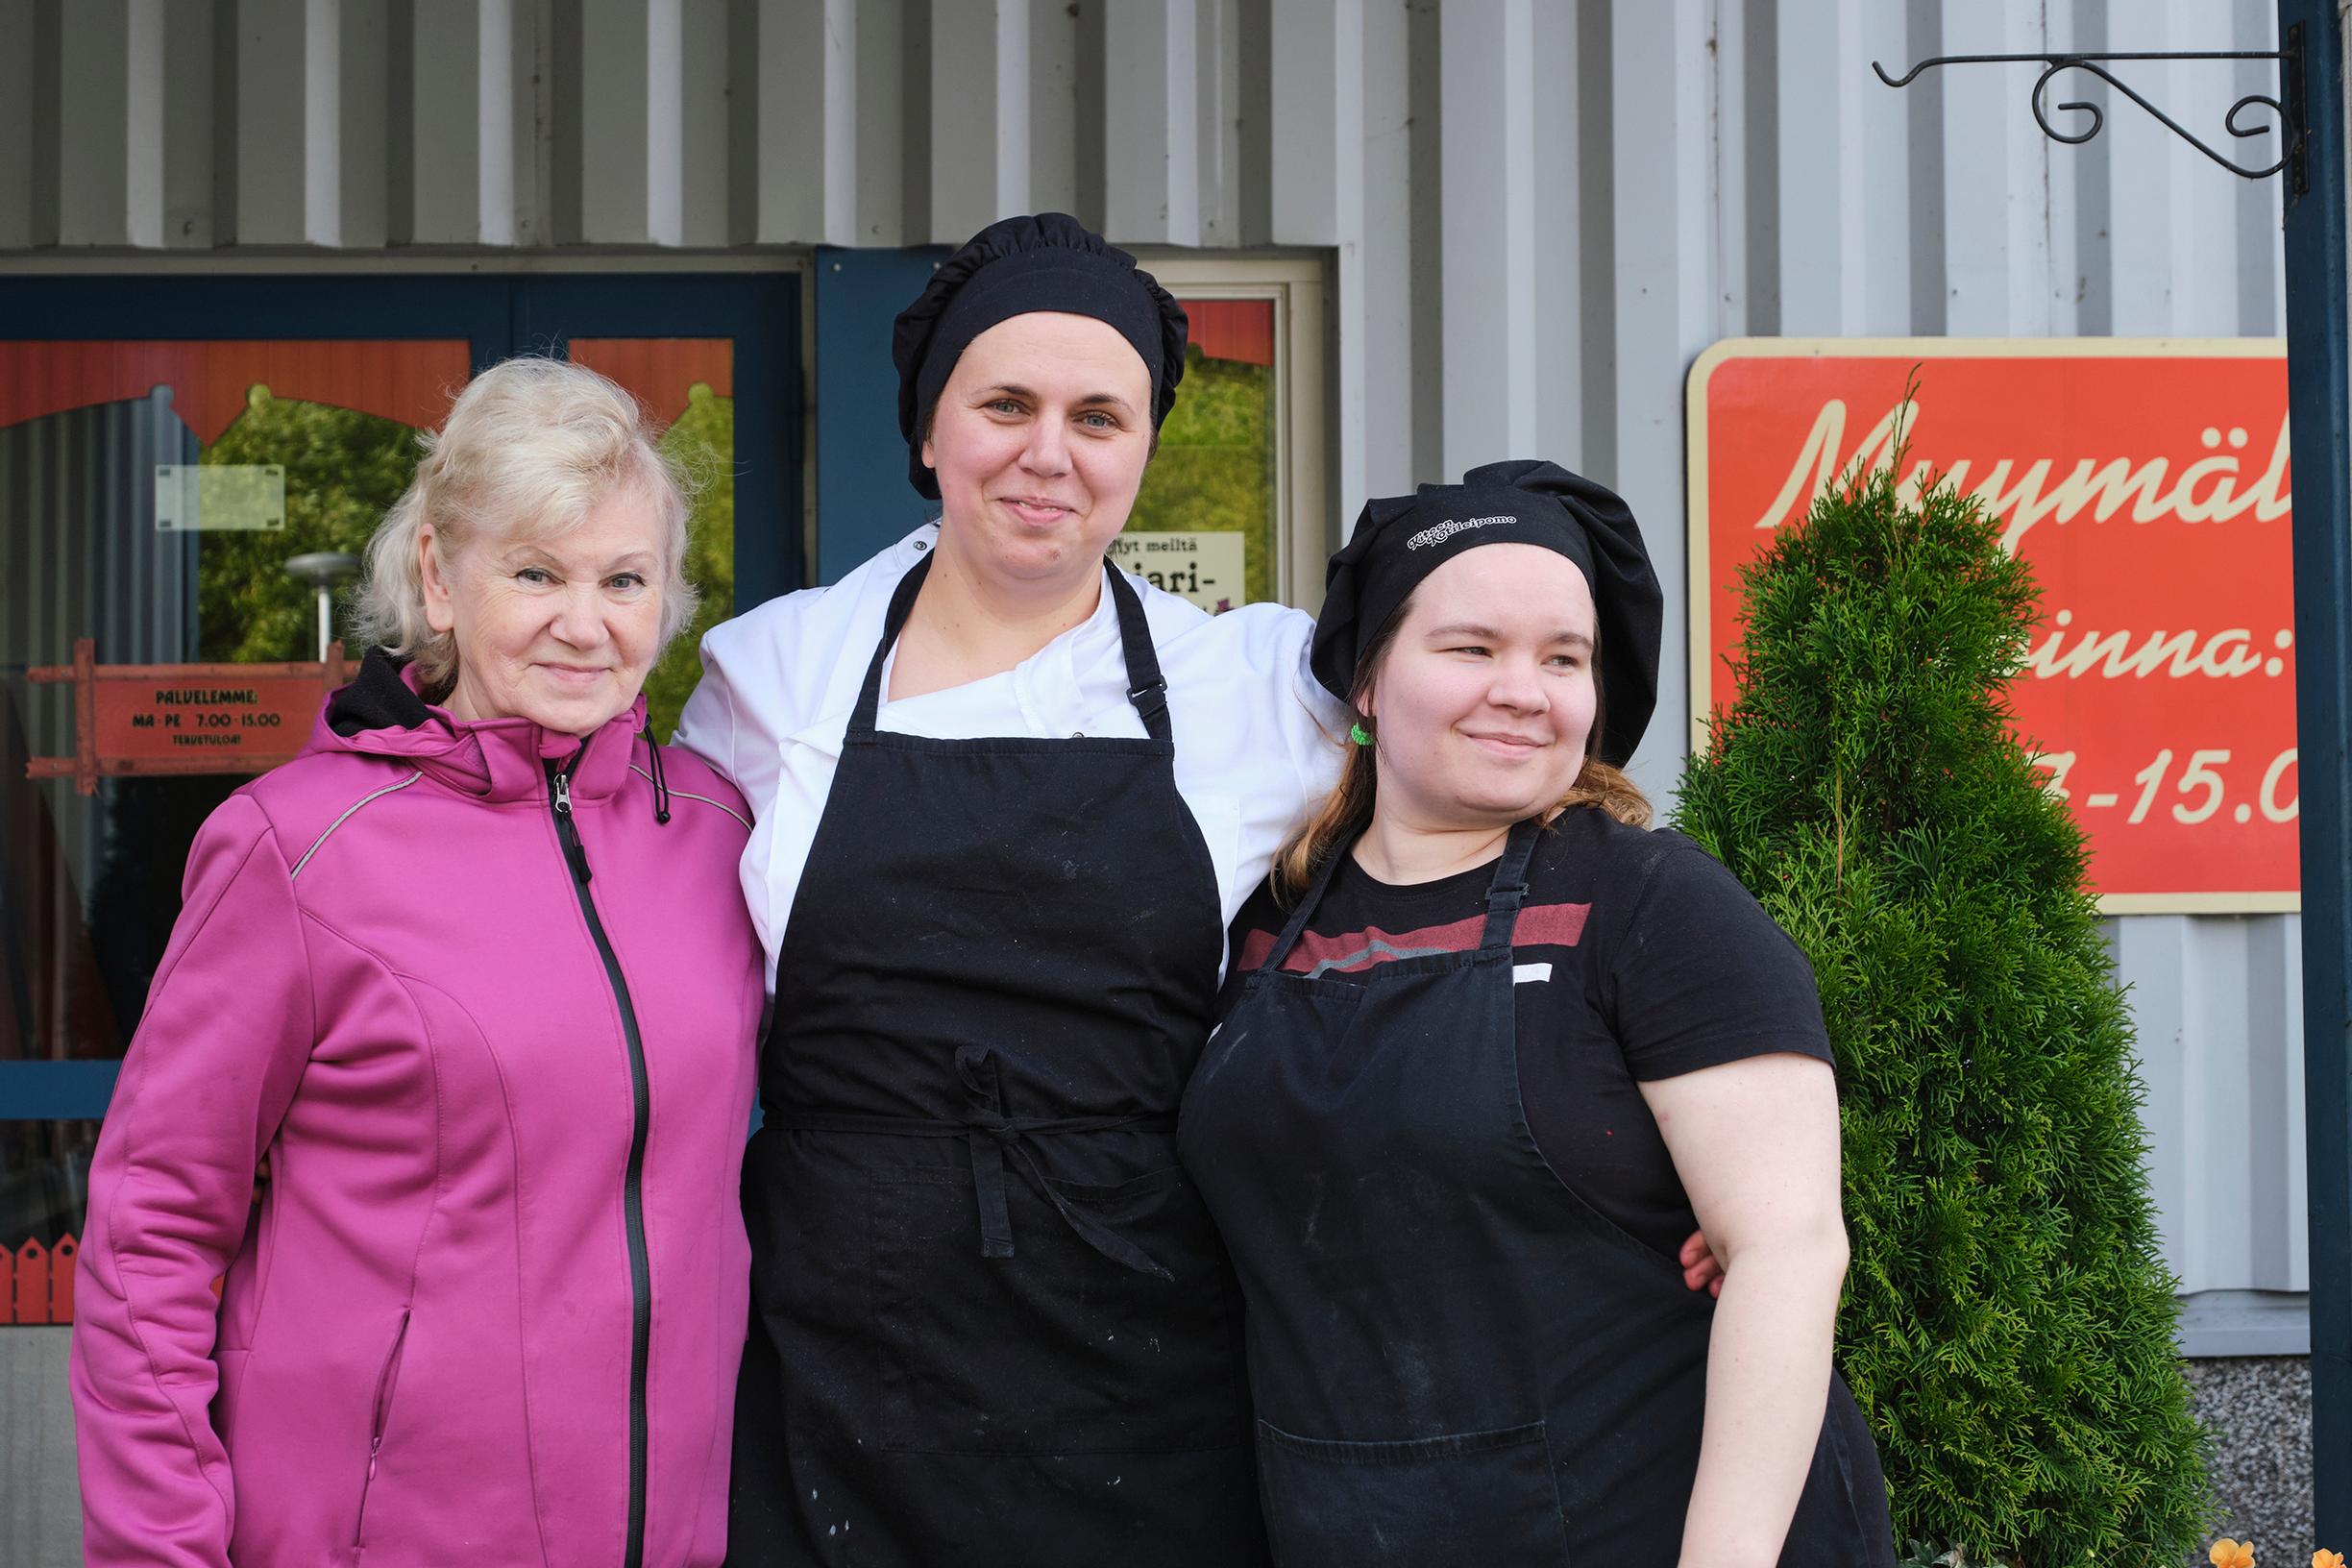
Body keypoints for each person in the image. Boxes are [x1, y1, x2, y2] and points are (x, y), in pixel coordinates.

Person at [69, 357, 766, 1568]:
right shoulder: (297, 848)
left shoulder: (716, 830)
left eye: (624, 579)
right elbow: (152, 1233)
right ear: (440, 577)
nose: (584, 621)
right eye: (536, 572)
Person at [1179, 460, 1896, 1566]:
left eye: (1563, 657)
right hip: (1351, 1524)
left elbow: (1789, 1251)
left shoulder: (1651, 904)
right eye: (1472, 648)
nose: (1525, 689)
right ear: (1367, 680)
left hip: (1642, 1525)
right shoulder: (1262, 922)